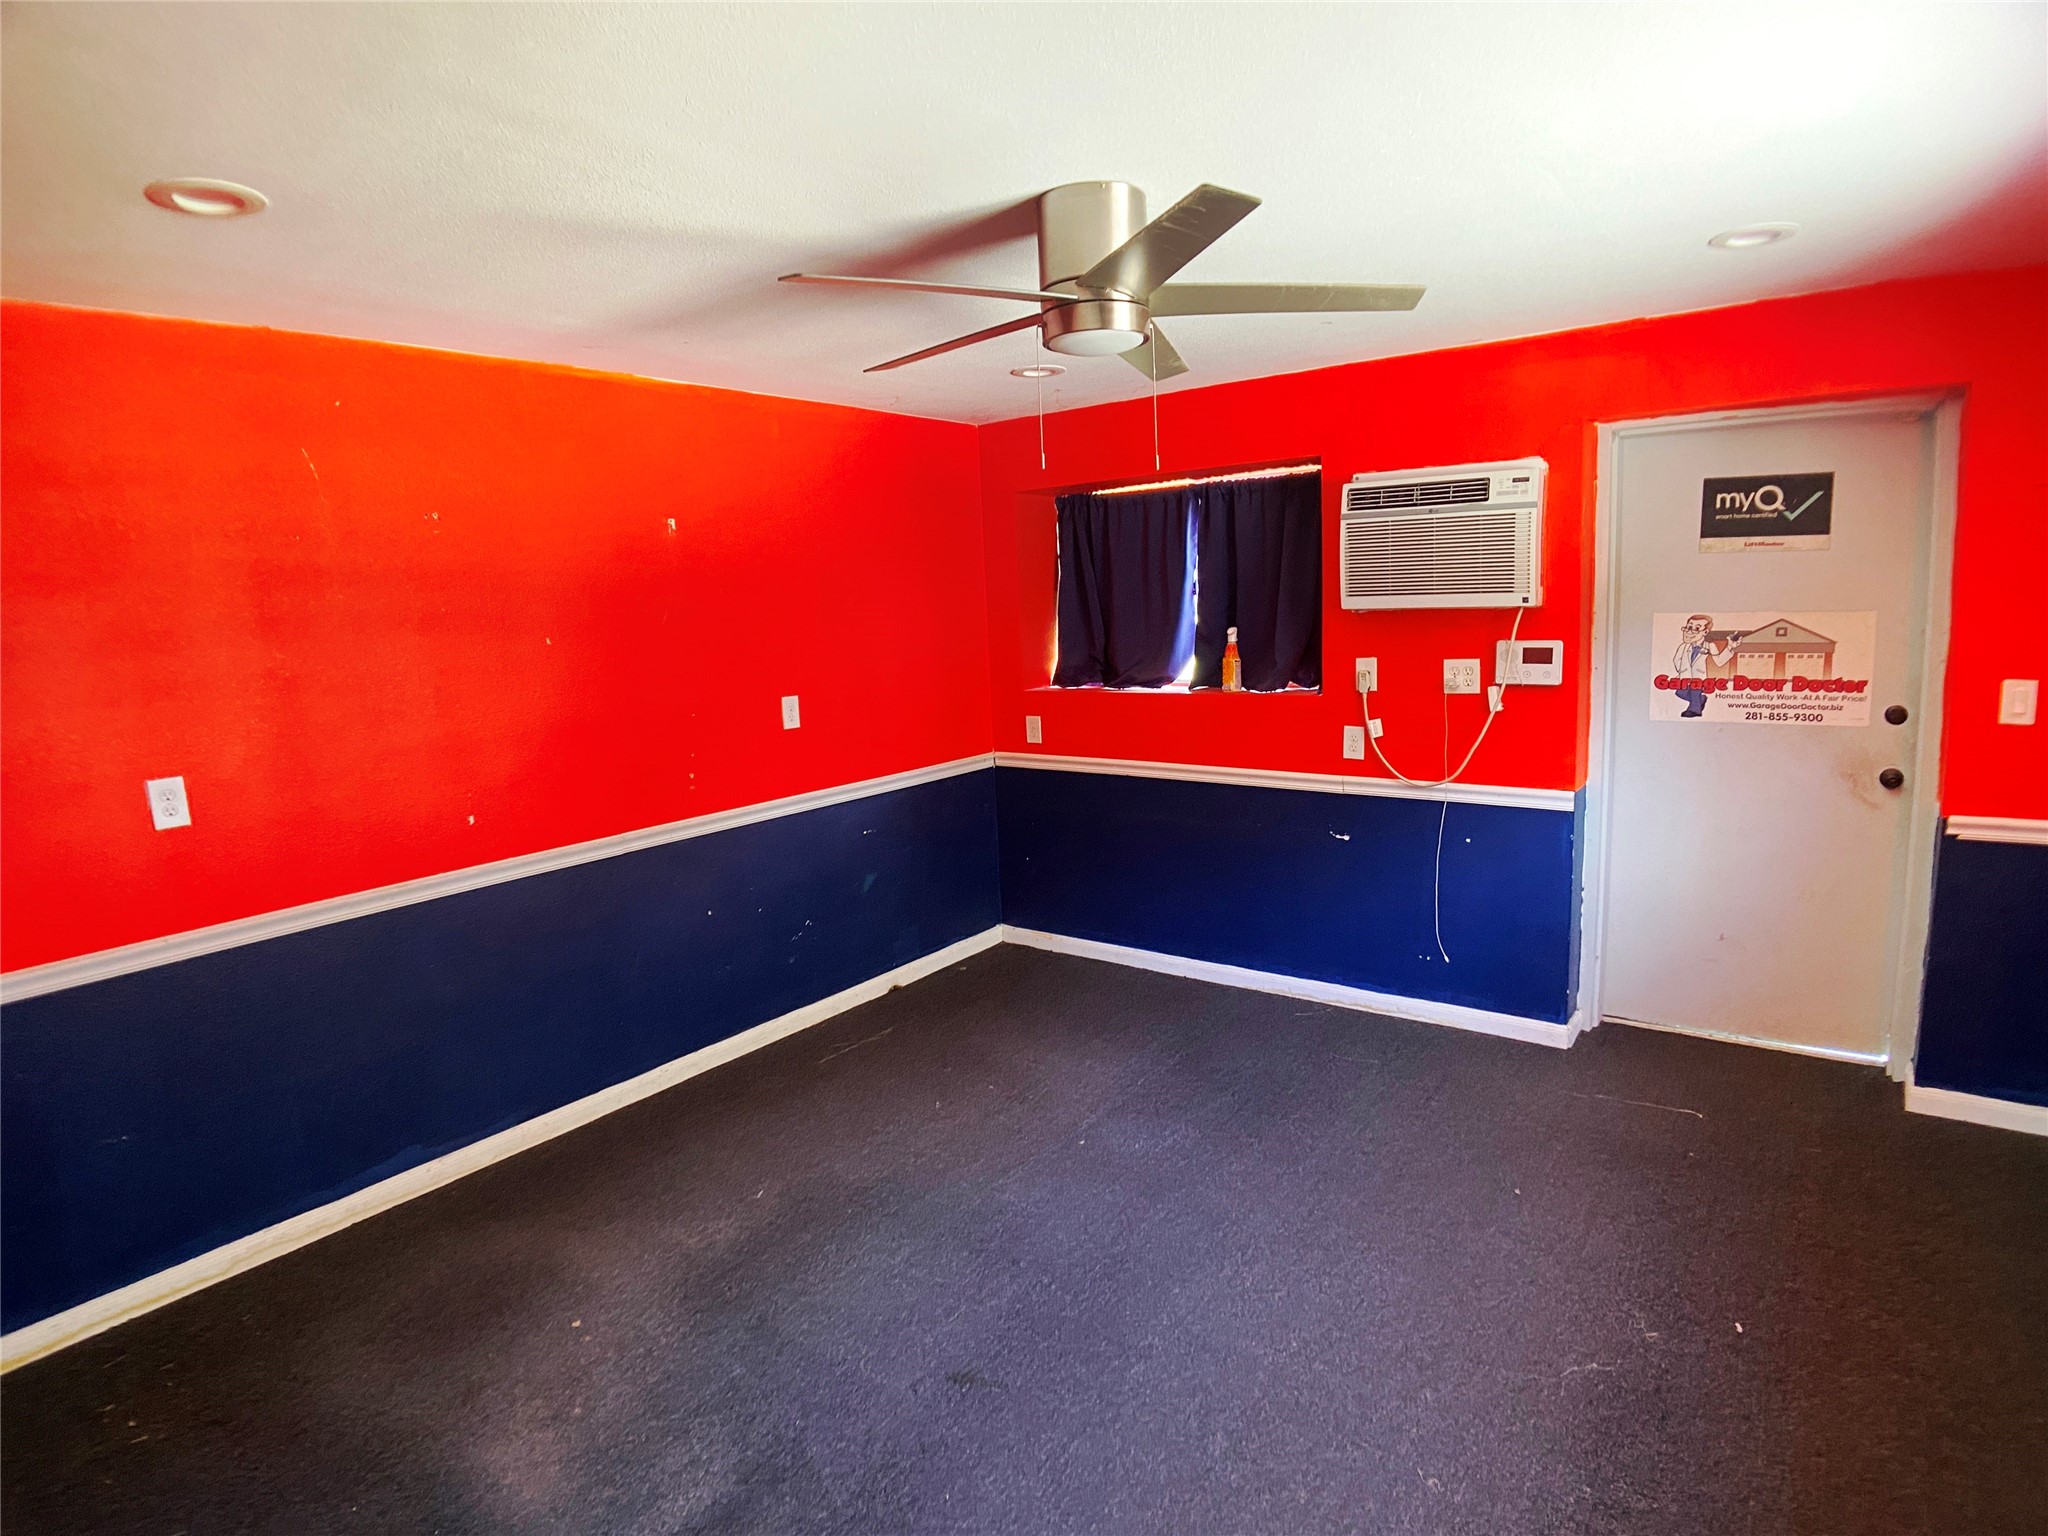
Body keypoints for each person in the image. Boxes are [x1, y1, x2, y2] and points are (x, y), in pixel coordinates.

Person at [1671, 613, 1738, 718]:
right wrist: (1682, 672)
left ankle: (1695, 710)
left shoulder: (1710, 646)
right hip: (1685, 677)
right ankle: (1700, 700)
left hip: (1700, 678)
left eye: (1696, 629)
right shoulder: (1683, 646)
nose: (1690, 631)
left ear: (1705, 632)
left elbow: (1719, 661)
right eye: (1689, 627)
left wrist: (1729, 647)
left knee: (1694, 692)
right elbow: (1676, 660)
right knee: (1680, 693)